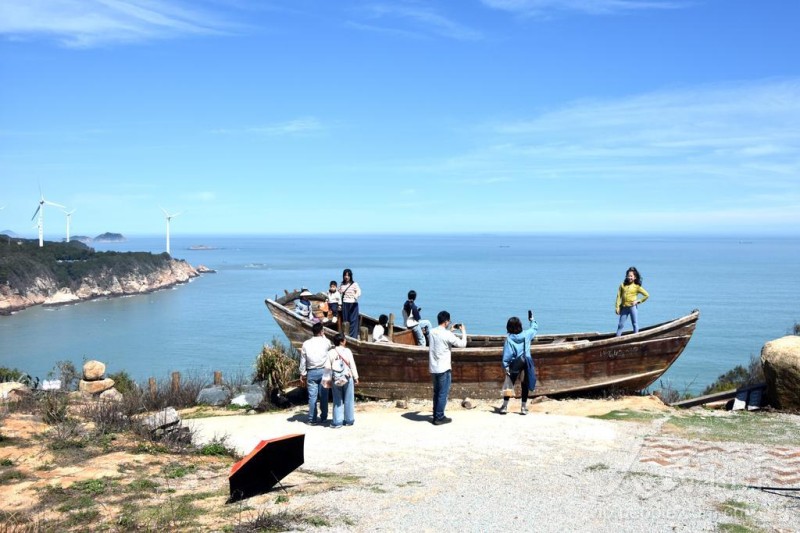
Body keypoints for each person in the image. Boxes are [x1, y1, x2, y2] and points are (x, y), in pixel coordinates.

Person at [428, 310, 467, 426]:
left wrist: (450, 330)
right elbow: (462, 344)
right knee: (443, 393)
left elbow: (441, 338)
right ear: (446, 322)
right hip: (443, 368)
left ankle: (436, 414)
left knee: (436, 392)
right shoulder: (447, 335)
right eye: (448, 321)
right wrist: (463, 331)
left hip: (433, 368)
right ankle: (439, 417)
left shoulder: (431, 332)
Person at [499, 310, 539, 415]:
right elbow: (535, 328)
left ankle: (504, 406)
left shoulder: (509, 339)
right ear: (520, 325)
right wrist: (532, 319)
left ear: (508, 327)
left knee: (509, 384)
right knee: (524, 385)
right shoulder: (527, 334)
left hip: (514, 364)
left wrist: (506, 366)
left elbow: (507, 355)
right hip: (526, 362)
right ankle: (523, 408)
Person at [324, 333, 359, 428]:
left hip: (336, 379)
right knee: (349, 399)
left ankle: (337, 421)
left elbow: (327, 368)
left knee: (337, 399)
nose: (345, 341)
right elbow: (352, 365)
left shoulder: (331, 352)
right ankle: (349, 420)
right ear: (341, 341)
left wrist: (327, 381)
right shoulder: (348, 351)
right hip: (348, 377)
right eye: (344, 339)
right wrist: (356, 377)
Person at [299, 321, 331, 424]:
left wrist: (302, 374)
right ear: (322, 332)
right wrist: (324, 336)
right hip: (324, 371)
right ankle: (324, 417)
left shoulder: (306, 344)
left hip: (311, 372)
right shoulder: (325, 342)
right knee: (324, 396)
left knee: (312, 397)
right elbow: (330, 346)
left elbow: (303, 360)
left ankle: (312, 419)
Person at [615, 266, 649, 336]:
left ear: (635, 277)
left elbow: (647, 295)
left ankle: (636, 338)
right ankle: (616, 339)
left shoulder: (637, 287)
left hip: (632, 307)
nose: (629, 277)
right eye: (628, 276)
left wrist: (638, 301)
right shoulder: (622, 285)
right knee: (620, 325)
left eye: (631, 276)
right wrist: (617, 307)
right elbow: (618, 297)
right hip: (624, 308)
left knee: (635, 324)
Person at [339, 268, 361, 339]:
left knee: (353, 321)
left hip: (353, 304)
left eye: (348, 275)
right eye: (345, 275)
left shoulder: (354, 284)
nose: (346, 277)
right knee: (346, 320)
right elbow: (339, 292)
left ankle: (353, 337)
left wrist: (355, 297)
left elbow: (359, 291)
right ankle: (346, 336)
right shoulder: (342, 284)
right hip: (345, 304)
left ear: (351, 276)